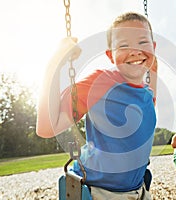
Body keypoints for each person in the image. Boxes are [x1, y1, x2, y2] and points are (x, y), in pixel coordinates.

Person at [36, 12, 158, 199]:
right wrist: (55, 63)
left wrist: (152, 65)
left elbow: (151, 68)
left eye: (142, 42)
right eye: (124, 45)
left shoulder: (147, 94)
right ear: (110, 55)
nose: (135, 51)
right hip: (100, 192)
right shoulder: (100, 82)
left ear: (153, 47)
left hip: (139, 190)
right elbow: (46, 127)